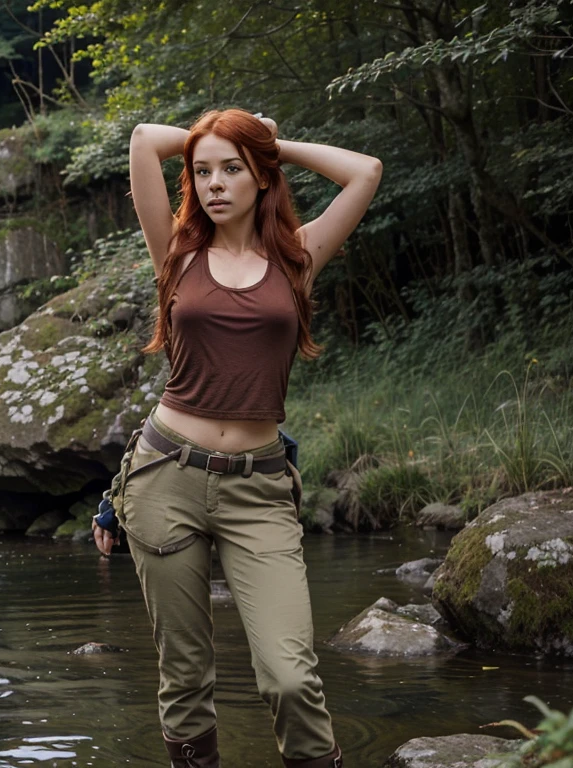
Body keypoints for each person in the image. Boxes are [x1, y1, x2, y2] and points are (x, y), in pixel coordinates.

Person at [93, 109, 381, 768]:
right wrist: (218, 133)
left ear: (261, 177)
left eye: (232, 169)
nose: (214, 183)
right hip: (164, 478)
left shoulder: (297, 257)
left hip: (259, 487)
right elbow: (143, 141)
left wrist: (268, 140)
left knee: (290, 675)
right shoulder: (176, 250)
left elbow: (365, 172)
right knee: (186, 680)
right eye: (201, 171)